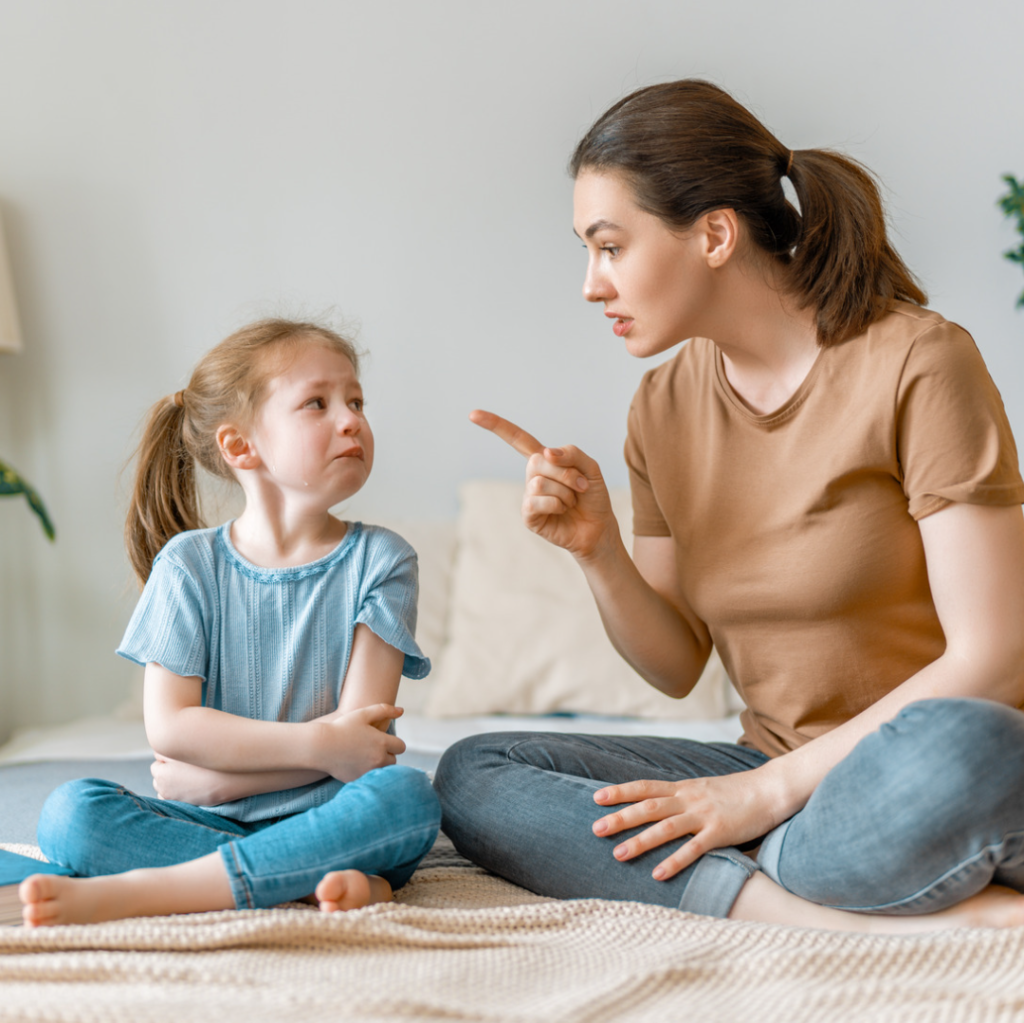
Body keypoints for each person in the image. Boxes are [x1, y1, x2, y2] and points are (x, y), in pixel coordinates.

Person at [434, 80, 1024, 933]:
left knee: (964, 751)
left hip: (911, 767)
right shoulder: (661, 408)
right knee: (477, 772)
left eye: (609, 246)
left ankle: (767, 861)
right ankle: (808, 908)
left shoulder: (918, 362)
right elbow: (677, 666)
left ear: (714, 233)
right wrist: (596, 552)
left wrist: (758, 797)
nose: (591, 284)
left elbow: (996, 659)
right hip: (772, 773)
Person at [20, 319, 440, 927]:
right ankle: (299, 882)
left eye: (356, 401)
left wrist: (220, 782)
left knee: (407, 799)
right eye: (317, 403)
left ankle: (159, 891)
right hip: (224, 823)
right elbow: (172, 726)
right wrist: (319, 747)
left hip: (334, 816)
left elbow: (363, 748)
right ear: (241, 447)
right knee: (69, 814)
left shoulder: (384, 560)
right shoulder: (189, 564)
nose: (351, 419)